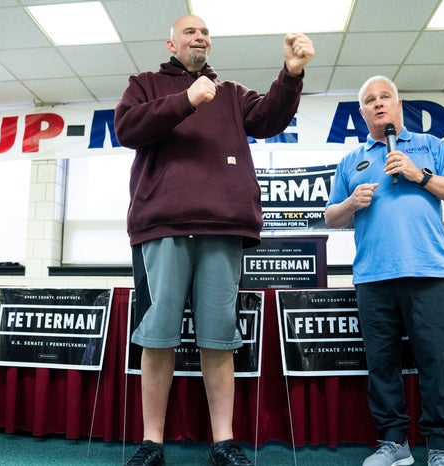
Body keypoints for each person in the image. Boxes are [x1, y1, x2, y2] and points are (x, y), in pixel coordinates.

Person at [114, 14, 314, 466]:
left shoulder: (230, 93)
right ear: (171, 44)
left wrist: (292, 74)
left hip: (223, 226)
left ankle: (223, 442)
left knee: (219, 337)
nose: (200, 36)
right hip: (162, 225)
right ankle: (152, 443)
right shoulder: (145, 84)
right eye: (190, 31)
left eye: (205, 32)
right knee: (158, 336)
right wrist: (185, 100)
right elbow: (126, 129)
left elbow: (269, 119)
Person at [324, 76, 444, 466]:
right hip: (373, 276)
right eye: (370, 100)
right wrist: (351, 203)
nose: (378, 104)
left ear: (398, 104)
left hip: (428, 271)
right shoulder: (349, 160)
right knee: (382, 364)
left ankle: (440, 447)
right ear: (361, 113)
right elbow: (330, 216)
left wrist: (418, 175)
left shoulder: (430, 146)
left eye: (384, 97)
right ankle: (395, 443)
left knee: (434, 361)